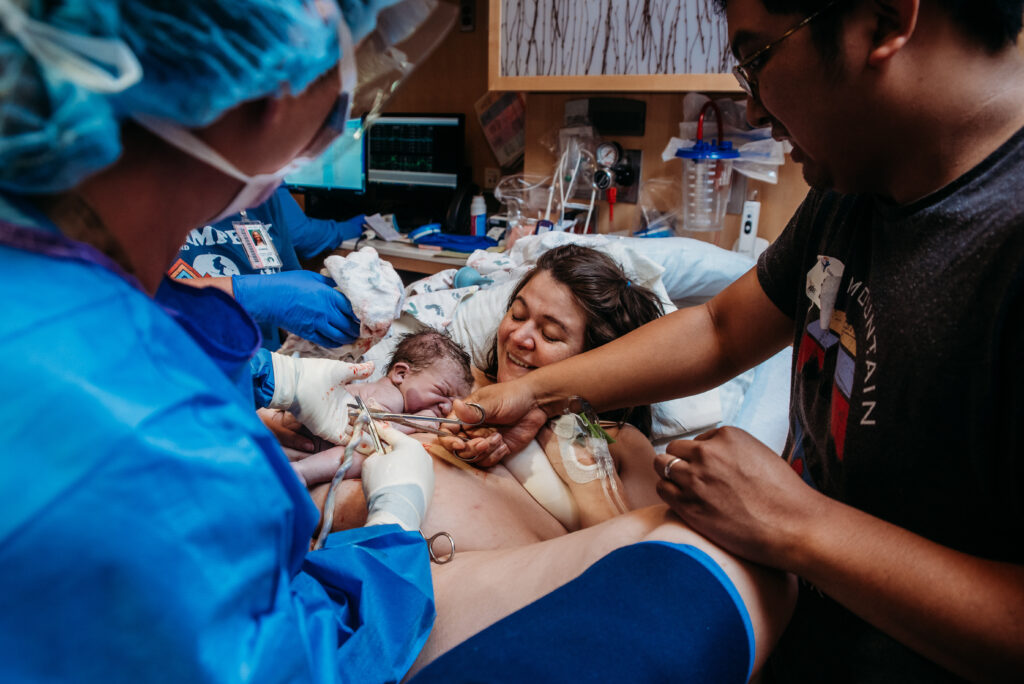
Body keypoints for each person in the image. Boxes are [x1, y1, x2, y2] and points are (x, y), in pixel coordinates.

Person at [0, 2, 796, 682]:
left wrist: (267, 377)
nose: (350, 105)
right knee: (736, 575)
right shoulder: (148, 441)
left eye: (554, 332)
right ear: (273, 89)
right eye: (356, 58)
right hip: (357, 590)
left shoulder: (75, 305)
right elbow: (298, 656)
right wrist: (389, 520)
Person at [453, 1, 1024, 681]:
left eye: (756, 57)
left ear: (882, 21)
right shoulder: (858, 180)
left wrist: (800, 526)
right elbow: (720, 330)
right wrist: (532, 394)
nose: (751, 109)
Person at [305, 245, 676, 549]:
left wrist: (563, 432)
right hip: (312, 528)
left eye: (549, 335)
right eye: (517, 315)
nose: (519, 337)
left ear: (593, 362)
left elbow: (636, 558)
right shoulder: (458, 382)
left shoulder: (613, 438)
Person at [172, 184, 367, 350]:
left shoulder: (263, 195)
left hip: (264, 374)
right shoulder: (153, 194)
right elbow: (145, 302)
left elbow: (293, 294)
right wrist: (250, 295)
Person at [282, 329, 475, 486]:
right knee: (364, 456)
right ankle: (302, 472)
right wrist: (418, 422)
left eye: (454, 403)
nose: (446, 407)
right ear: (401, 374)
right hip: (310, 431)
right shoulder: (391, 395)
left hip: (302, 439)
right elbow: (374, 431)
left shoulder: (391, 396)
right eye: (443, 392)